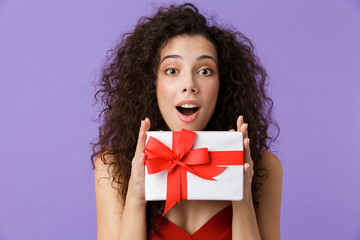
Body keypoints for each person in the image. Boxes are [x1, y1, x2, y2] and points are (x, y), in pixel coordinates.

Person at [91, 3, 282, 240]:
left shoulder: (264, 167)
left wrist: (241, 199)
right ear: (151, 84)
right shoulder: (113, 167)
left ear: (223, 84)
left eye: (204, 71)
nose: (189, 84)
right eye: (172, 70)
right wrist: (136, 197)